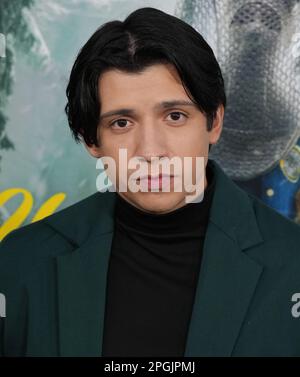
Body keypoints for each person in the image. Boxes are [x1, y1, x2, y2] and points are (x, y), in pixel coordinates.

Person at [0, 7, 300, 357]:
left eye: (175, 116)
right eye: (122, 123)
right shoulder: (20, 263)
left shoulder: (292, 262)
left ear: (214, 121)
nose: (151, 151)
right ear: (91, 140)